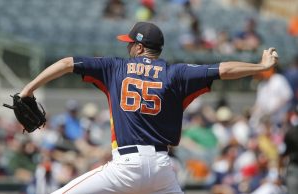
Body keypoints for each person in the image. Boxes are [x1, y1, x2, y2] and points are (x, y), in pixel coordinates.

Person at [19, 22, 278, 194]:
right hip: (162, 169)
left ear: (140, 46)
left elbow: (66, 63)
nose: (128, 46)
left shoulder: (115, 67)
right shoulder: (177, 73)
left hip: (126, 166)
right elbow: (224, 69)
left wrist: (28, 89)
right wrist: (261, 67)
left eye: (130, 43)